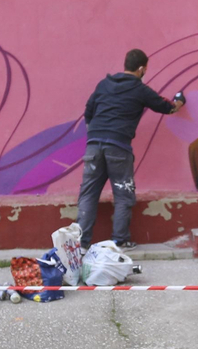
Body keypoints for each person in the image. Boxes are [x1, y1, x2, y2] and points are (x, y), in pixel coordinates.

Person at [76, 48, 184, 250]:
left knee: (88, 193)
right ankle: (120, 240)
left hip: (93, 146)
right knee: (123, 193)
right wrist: (179, 101)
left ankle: (81, 244)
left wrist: (97, 135)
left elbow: (88, 112)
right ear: (142, 68)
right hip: (118, 147)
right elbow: (166, 107)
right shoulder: (139, 89)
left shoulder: (103, 85)